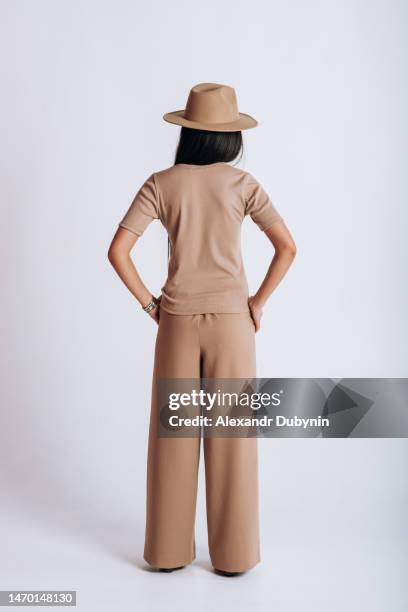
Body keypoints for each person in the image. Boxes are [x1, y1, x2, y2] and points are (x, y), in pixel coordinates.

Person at [108, 82, 296, 576]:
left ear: (188, 132)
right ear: (230, 138)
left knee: (173, 440)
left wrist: (151, 303)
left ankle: (168, 554)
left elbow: (117, 252)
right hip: (234, 326)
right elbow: (287, 248)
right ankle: (233, 557)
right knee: (232, 441)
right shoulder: (243, 184)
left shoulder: (161, 183)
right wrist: (257, 302)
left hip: (176, 323)